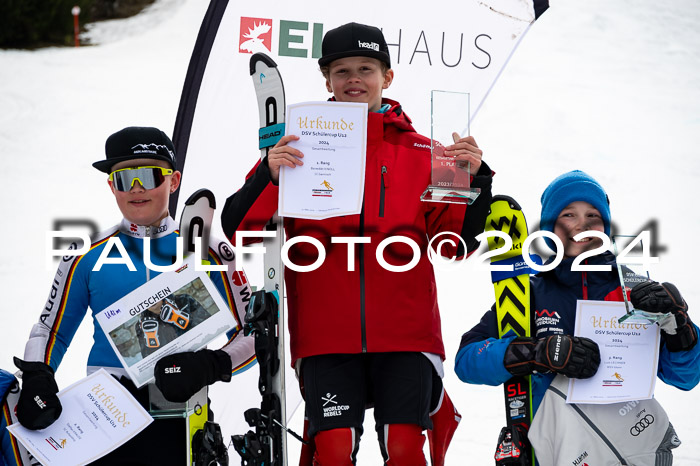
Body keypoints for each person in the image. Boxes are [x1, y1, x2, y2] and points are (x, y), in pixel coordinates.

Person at [222, 22, 494, 466]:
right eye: (341, 70)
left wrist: (475, 179)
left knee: (406, 451)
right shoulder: (297, 148)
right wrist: (267, 176)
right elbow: (240, 230)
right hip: (326, 334)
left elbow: (454, 244)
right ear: (326, 80)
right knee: (332, 452)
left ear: (387, 77)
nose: (353, 79)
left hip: (407, 333)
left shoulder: (431, 153)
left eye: (366, 68)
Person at [10, 126, 255, 464]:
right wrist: (39, 374)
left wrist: (211, 365)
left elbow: (255, 334)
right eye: (125, 179)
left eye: (150, 176)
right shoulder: (85, 253)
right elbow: (50, 331)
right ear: (112, 186)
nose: (137, 189)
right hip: (104, 418)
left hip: (182, 414)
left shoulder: (209, 249)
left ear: (173, 180)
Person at [455, 170, 700, 463]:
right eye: (568, 215)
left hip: (631, 446)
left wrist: (679, 326)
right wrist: (535, 353)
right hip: (557, 448)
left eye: (592, 216)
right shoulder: (531, 293)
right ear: (550, 227)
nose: (581, 226)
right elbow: (467, 360)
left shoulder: (633, 291)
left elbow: (687, 376)